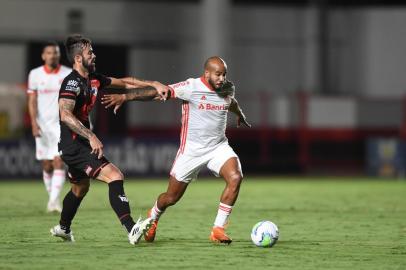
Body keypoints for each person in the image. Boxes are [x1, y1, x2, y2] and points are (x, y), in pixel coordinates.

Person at [102, 56, 251, 244]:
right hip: (191, 151)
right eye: (218, 74)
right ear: (207, 73)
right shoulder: (191, 87)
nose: (222, 78)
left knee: (236, 177)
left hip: (218, 147)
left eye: (224, 74)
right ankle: (154, 214)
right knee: (171, 198)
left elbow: (233, 103)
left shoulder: (226, 91)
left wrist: (240, 115)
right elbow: (159, 92)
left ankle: (218, 229)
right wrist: (126, 96)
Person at [50, 34, 169, 245]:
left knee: (80, 188)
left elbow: (124, 82)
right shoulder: (71, 83)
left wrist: (153, 84)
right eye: (89, 53)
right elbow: (65, 115)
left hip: (79, 143)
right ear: (78, 58)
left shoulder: (93, 79)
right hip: (74, 145)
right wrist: (92, 135)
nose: (94, 55)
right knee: (115, 175)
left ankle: (63, 228)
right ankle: (132, 229)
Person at [27, 41, 71, 213]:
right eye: (50, 53)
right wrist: (33, 123)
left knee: (59, 161)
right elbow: (32, 100)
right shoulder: (35, 74)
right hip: (42, 126)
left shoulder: (68, 74)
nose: (53, 55)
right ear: (43, 56)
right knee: (47, 164)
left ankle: (53, 201)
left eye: (56, 52)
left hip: (62, 125)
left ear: (59, 55)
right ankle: (52, 199)